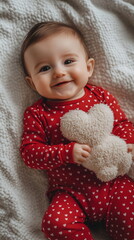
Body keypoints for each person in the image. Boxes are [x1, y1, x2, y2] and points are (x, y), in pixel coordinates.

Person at [20, 21, 134, 240]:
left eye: (68, 61)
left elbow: (121, 124)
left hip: (114, 184)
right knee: (55, 225)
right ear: (32, 83)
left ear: (89, 67)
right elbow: (30, 154)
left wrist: (128, 142)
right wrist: (66, 153)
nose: (59, 72)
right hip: (70, 193)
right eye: (45, 68)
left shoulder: (100, 97)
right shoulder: (37, 113)